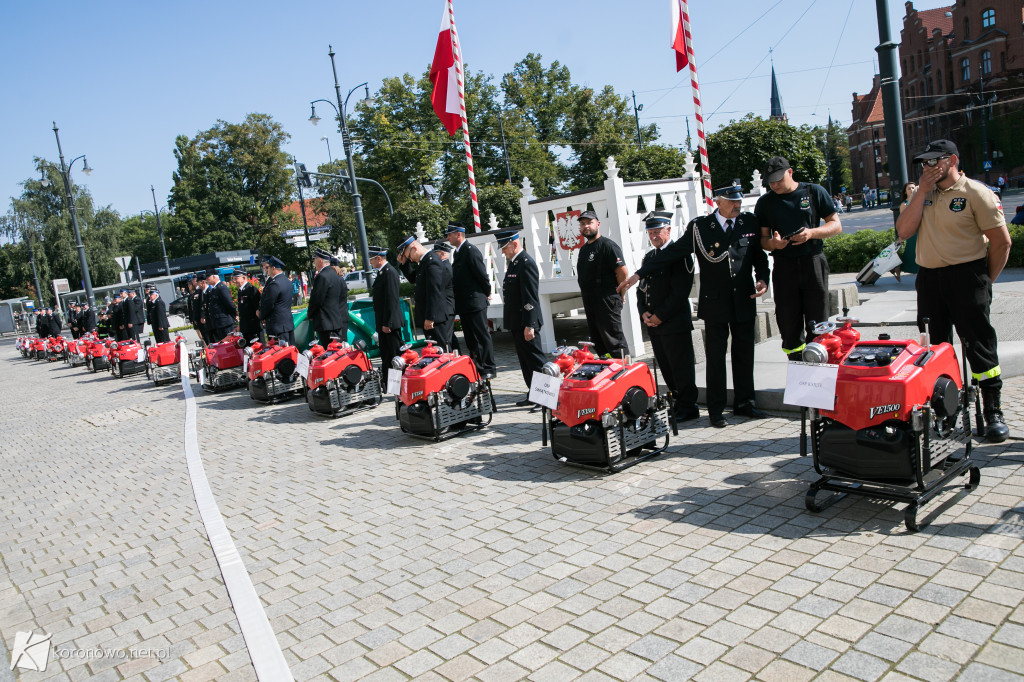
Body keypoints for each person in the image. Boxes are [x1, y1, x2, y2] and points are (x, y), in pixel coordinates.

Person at [896, 139, 1012, 442]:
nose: (929, 167)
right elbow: (904, 231)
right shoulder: (923, 194)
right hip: (930, 279)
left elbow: (1002, 242)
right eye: (925, 163)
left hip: (967, 275)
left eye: (935, 161)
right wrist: (920, 191)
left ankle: (992, 411)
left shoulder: (976, 193)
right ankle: (945, 413)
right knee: (935, 349)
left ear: (953, 161)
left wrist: (985, 280)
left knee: (979, 343)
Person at [757, 156, 842, 360]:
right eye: (770, 181)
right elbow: (763, 239)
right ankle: (797, 370)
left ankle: (819, 371)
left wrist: (811, 233)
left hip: (813, 261)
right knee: (788, 323)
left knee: (818, 321)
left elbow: (836, 225)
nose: (774, 184)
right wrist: (774, 244)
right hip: (784, 265)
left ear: (790, 172)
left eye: (778, 179)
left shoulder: (813, 192)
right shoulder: (766, 202)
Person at [633, 211, 700, 424]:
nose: (653, 236)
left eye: (657, 231)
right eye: (650, 232)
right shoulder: (650, 257)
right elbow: (641, 288)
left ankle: (689, 406)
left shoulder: (679, 254)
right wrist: (643, 311)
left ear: (668, 230)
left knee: (681, 368)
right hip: (654, 324)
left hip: (674, 323)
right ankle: (677, 402)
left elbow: (680, 291)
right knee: (667, 367)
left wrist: (660, 316)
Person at [498, 230, 546, 407]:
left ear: (514, 244)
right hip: (517, 321)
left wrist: (530, 324)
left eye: (504, 248)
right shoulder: (514, 263)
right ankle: (534, 393)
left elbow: (530, 297)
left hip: (526, 321)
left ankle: (546, 396)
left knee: (536, 360)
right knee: (525, 361)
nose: (502, 251)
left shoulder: (526, 263)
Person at [576, 210, 630, 357]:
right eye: (582, 224)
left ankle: (623, 370)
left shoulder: (608, 245)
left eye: (589, 222)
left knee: (614, 339)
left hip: (607, 298)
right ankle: (607, 370)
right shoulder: (584, 249)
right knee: (598, 340)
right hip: (590, 299)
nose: (586, 226)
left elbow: (623, 273)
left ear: (598, 224)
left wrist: (621, 293)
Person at [446, 222, 496, 378]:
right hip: (465, 303)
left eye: (449, 234)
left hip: (475, 302)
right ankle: (477, 365)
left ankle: (488, 368)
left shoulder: (470, 251)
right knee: (470, 338)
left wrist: (486, 292)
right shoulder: (458, 252)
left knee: (481, 335)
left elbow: (482, 275)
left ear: (458, 234)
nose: (447, 238)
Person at [395, 235, 455, 351]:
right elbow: (413, 279)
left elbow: (434, 291)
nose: (410, 260)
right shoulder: (425, 262)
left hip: (434, 318)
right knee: (433, 352)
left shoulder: (432, 262)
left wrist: (430, 317)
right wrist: (404, 264)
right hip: (429, 317)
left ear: (414, 248)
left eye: (409, 256)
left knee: (441, 351)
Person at [369, 245, 404, 371]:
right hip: (385, 322)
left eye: (371, 259)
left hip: (390, 324)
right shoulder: (383, 272)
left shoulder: (389, 273)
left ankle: (398, 383)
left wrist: (387, 323)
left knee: (395, 356)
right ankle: (390, 383)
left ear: (378, 258)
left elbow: (391, 300)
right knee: (387, 355)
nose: (370, 262)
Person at [307, 248, 347, 346]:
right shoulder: (334, 275)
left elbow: (317, 300)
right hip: (336, 321)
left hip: (326, 323)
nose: (314, 262)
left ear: (320, 261)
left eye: (315, 260)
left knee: (330, 354)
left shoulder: (322, 276)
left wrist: (310, 314)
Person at [258, 256, 295, 345]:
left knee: (279, 354)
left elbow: (269, 304)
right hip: (287, 323)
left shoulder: (274, 284)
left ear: (273, 268)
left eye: (268, 268)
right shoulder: (286, 281)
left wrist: (261, 315)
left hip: (277, 325)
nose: (267, 270)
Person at [204, 272, 237, 343]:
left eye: (208, 278)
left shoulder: (221, 288)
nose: (207, 280)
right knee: (222, 345)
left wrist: (233, 316)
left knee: (229, 343)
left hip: (225, 322)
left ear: (214, 277)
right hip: (218, 323)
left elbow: (229, 304)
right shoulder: (214, 289)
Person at [233, 269, 262, 344]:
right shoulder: (240, 291)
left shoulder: (251, 290)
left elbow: (258, 307)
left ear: (244, 278)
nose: (234, 281)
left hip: (253, 327)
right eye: (233, 279)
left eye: (236, 278)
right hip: (245, 327)